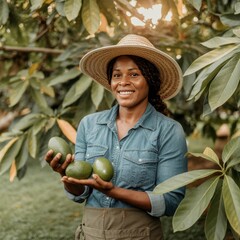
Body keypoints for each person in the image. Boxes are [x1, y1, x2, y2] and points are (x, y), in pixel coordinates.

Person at [45, 34, 188, 240]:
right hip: (91, 232)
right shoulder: (89, 124)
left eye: (134, 74)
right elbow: (81, 192)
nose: (123, 83)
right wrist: (66, 176)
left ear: (150, 80)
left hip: (140, 234)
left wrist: (114, 191)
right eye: (117, 75)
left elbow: (171, 201)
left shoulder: (168, 131)